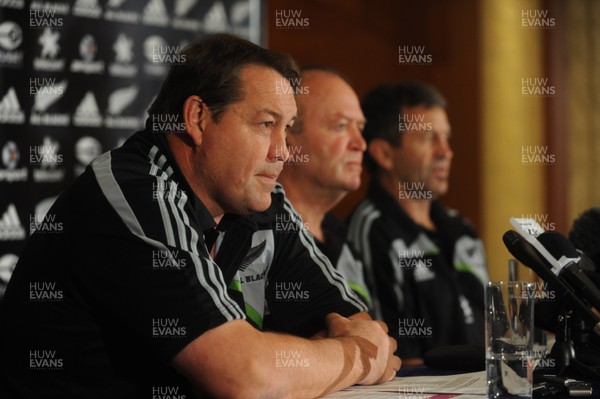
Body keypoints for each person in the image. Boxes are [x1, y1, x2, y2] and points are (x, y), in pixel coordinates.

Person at [0, 34, 400, 399]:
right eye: (266, 124)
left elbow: (362, 329)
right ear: (197, 119)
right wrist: (349, 356)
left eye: (288, 128)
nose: (283, 151)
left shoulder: (258, 200)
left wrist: (327, 354)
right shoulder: (134, 192)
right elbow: (242, 377)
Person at [347, 81, 488, 365]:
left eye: (446, 137)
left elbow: (492, 330)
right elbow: (390, 358)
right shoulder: (371, 229)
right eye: (429, 138)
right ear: (385, 154)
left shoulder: (461, 229)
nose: (445, 151)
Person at [277, 66, 372, 307]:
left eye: (359, 128)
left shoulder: (343, 235)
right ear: (288, 134)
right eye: (341, 126)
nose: (360, 144)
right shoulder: (259, 235)